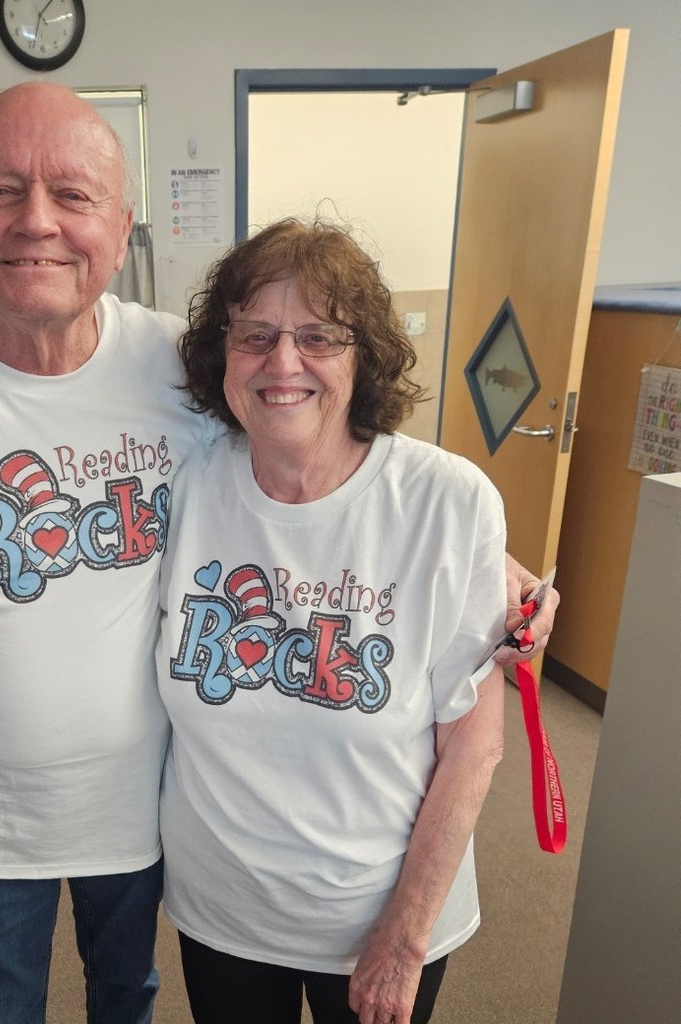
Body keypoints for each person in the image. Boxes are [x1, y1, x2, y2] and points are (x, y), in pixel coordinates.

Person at [0, 83, 556, 1024]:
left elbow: (329, 448)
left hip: (146, 817)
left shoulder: (173, 367)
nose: (37, 222)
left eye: (73, 195)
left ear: (120, 225)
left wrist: (486, 566)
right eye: (1, 191)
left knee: (125, 1003)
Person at [156, 217, 515, 1024]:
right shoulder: (188, 482)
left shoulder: (447, 503)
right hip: (223, 911)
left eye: (318, 336)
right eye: (255, 335)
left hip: (378, 916)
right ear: (223, 354)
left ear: (364, 356)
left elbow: (473, 747)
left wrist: (406, 935)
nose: (283, 362)